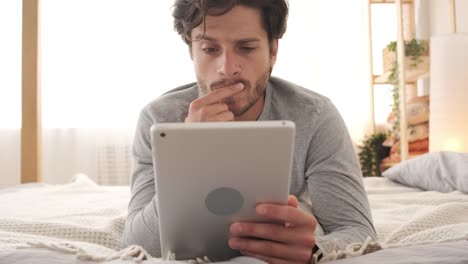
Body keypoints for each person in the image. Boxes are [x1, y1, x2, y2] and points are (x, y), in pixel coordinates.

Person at [122, 0, 377, 263]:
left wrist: (314, 249)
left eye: (246, 48)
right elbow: (135, 244)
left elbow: (357, 230)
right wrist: (192, 152)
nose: (227, 68)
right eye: (209, 48)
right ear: (191, 51)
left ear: (273, 50)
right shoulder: (157, 120)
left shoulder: (314, 116)